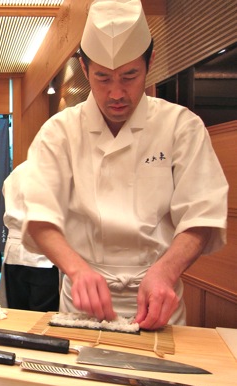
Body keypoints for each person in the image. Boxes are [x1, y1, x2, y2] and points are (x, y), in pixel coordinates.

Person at [21, 0, 228, 330]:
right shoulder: (59, 132)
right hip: (82, 301)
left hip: (158, 298)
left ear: (150, 64)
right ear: (84, 69)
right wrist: (76, 269)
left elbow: (202, 214)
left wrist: (166, 271)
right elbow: (39, 215)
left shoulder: (181, 126)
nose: (116, 93)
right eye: (103, 78)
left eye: (130, 76)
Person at [0, 161, 60, 312]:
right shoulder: (54, 171)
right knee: (42, 320)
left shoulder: (18, 171)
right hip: (44, 255)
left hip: (14, 254)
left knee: (17, 315)